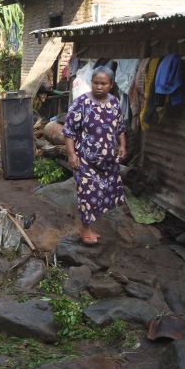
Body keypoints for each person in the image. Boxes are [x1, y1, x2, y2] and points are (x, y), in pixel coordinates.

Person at [63, 66, 126, 244]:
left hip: (107, 161)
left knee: (105, 192)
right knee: (88, 194)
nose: (99, 86)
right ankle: (85, 229)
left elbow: (120, 127)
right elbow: (69, 131)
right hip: (85, 159)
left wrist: (122, 144)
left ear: (111, 85)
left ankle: (90, 226)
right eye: (96, 83)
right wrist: (71, 155)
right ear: (91, 83)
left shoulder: (114, 102)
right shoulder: (81, 103)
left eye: (103, 83)